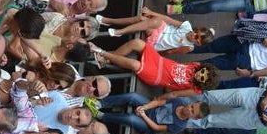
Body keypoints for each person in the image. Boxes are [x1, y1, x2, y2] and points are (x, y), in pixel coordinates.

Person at [88, 40, 220, 93]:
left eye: (202, 78)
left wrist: (158, 100)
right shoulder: (195, 66)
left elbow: (175, 95)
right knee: (138, 43)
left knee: (135, 64)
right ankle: (106, 60)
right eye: (203, 72)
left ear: (203, 84)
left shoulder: (195, 89)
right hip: (159, 61)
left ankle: (102, 53)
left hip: (157, 76)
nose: (200, 75)